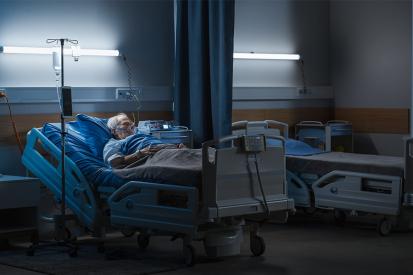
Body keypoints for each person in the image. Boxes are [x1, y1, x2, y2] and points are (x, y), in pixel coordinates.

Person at [103, 113, 184, 168]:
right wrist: (140, 153)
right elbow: (113, 162)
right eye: (126, 124)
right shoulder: (113, 143)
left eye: (132, 124)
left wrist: (176, 147)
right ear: (114, 131)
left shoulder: (141, 135)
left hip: (169, 150)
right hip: (155, 156)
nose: (132, 126)